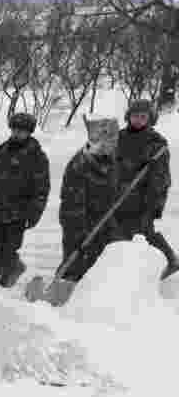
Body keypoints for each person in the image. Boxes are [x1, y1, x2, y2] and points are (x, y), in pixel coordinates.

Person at [0, 112, 50, 293]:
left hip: (19, 211)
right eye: (15, 129)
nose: (17, 133)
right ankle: (15, 264)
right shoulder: (1, 150)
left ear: (29, 132)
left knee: (5, 250)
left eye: (22, 131)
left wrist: (34, 213)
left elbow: (42, 189)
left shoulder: (37, 157)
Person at [112, 99, 178, 279]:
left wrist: (153, 205)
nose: (138, 120)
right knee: (118, 233)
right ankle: (122, 270)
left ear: (150, 118)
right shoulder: (118, 137)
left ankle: (170, 259)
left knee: (142, 231)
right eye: (135, 116)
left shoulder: (156, 143)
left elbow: (161, 178)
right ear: (128, 117)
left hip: (142, 198)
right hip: (117, 196)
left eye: (143, 117)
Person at [58, 116, 121, 282]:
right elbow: (71, 202)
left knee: (103, 267)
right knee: (76, 263)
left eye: (110, 141)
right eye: (101, 140)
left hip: (106, 223)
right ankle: (65, 289)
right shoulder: (79, 164)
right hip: (79, 222)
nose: (106, 145)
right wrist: (78, 231)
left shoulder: (114, 163)